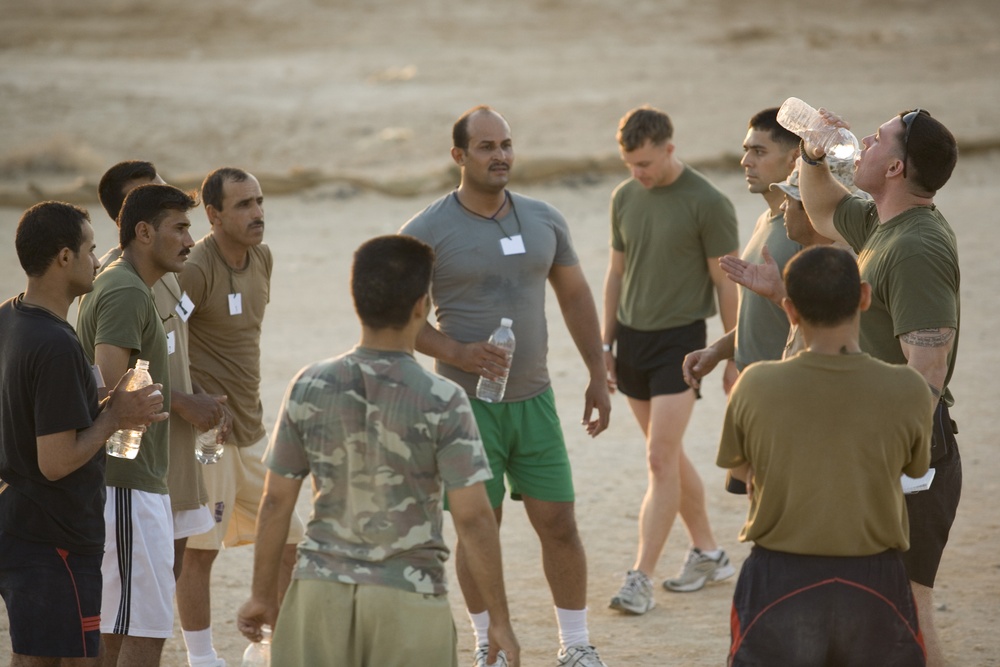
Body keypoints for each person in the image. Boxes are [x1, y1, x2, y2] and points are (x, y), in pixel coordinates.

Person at [236, 235, 521, 667]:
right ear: (421, 306)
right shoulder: (442, 398)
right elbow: (475, 518)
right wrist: (499, 620)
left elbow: (276, 500)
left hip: (318, 595)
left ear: (357, 300)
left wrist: (261, 594)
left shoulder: (309, 384)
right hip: (407, 598)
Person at [400, 105, 611, 667]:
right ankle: (486, 645)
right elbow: (401, 320)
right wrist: (458, 352)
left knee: (560, 523)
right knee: (478, 529)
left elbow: (575, 297)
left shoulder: (544, 218)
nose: (502, 156)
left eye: (507, 144)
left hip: (534, 401)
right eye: (488, 146)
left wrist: (597, 372)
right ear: (459, 156)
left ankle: (575, 645)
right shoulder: (425, 232)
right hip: (464, 408)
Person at [798, 107, 961, 667]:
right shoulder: (881, 224)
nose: (863, 140)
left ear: (894, 166)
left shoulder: (916, 248)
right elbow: (821, 210)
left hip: (910, 456)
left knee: (906, 614)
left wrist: (892, 462)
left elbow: (928, 371)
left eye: (878, 136)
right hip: (875, 446)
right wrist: (813, 153)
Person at [718, 245, 932, 666]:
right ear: (865, 297)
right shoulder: (908, 388)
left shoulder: (755, 385)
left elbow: (742, 475)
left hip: (779, 578)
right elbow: (914, 467)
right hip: (875, 579)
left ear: (790, 310)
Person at [0, 201, 166, 667]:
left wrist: (103, 408)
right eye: (91, 249)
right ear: (64, 257)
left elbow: (31, 420)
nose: (99, 259)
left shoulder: (10, 319)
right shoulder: (54, 343)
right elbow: (55, 460)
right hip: (55, 536)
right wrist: (116, 415)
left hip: (20, 523)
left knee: (34, 656)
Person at [602, 105, 739, 614]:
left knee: (659, 458)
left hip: (681, 343)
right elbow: (615, 274)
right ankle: (709, 552)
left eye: (645, 163)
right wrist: (604, 347)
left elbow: (725, 283)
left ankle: (640, 578)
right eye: (629, 164)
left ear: (668, 149)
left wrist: (731, 353)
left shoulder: (708, 202)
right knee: (670, 456)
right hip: (631, 342)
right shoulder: (624, 197)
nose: (638, 174)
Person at [176, 167, 305, 667]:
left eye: (259, 201)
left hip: (253, 432)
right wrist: (197, 396)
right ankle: (202, 657)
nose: (257, 213)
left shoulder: (262, 258)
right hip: (208, 437)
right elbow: (166, 339)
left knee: (290, 539)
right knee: (200, 549)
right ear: (213, 215)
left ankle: (274, 643)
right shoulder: (196, 268)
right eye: (243, 205)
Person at [76, 184, 198, 666]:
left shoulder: (128, 285)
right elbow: (108, 390)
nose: (191, 240)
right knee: (144, 630)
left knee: (119, 626)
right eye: (181, 227)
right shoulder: (125, 288)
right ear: (143, 232)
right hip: (124, 482)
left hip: (130, 483)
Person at [97, 161, 229, 581]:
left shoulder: (168, 272)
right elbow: (110, 385)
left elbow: (172, 351)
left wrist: (203, 397)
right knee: (130, 594)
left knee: (162, 582)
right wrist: (184, 402)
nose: (163, 195)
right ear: (135, 222)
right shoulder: (114, 282)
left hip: (177, 458)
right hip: (137, 465)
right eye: (148, 193)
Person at [681, 108, 801, 390]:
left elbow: (827, 323)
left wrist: (778, 293)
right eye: (746, 150)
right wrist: (716, 351)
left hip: (788, 389)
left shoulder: (809, 229)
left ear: (794, 158)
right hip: (752, 389)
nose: (745, 161)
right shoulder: (765, 221)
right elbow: (758, 319)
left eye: (759, 152)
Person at [717, 159, 860, 359]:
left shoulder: (848, 268)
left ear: (812, 206)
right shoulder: (824, 259)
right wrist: (779, 293)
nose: (783, 207)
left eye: (788, 198)